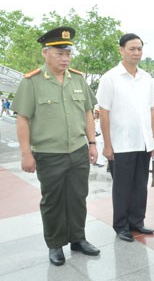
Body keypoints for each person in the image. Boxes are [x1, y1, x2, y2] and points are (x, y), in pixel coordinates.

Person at [11, 26, 100, 266]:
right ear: (45, 53)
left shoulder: (78, 79)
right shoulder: (32, 82)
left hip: (78, 150)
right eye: (60, 53)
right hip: (49, 154)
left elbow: (88, 113)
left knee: (78, 197)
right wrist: (26, 153)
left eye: (68, 53)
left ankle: (78, 239)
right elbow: (23, 119)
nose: (65, 58)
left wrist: (92, 143)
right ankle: (55, 244)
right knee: (53, 201)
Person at [97, 33, 154, 242]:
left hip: (143, 142)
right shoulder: (110, 78)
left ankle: (137, 221)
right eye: (132, 49)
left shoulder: (146, 78)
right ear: (121, 50)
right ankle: (121, 225)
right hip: (120, 143)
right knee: (122, 187)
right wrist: (107, 145)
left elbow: (152, 110)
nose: (136, 53)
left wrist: (152, 140)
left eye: (139, 49)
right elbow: (103, 112)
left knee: (140, 185)